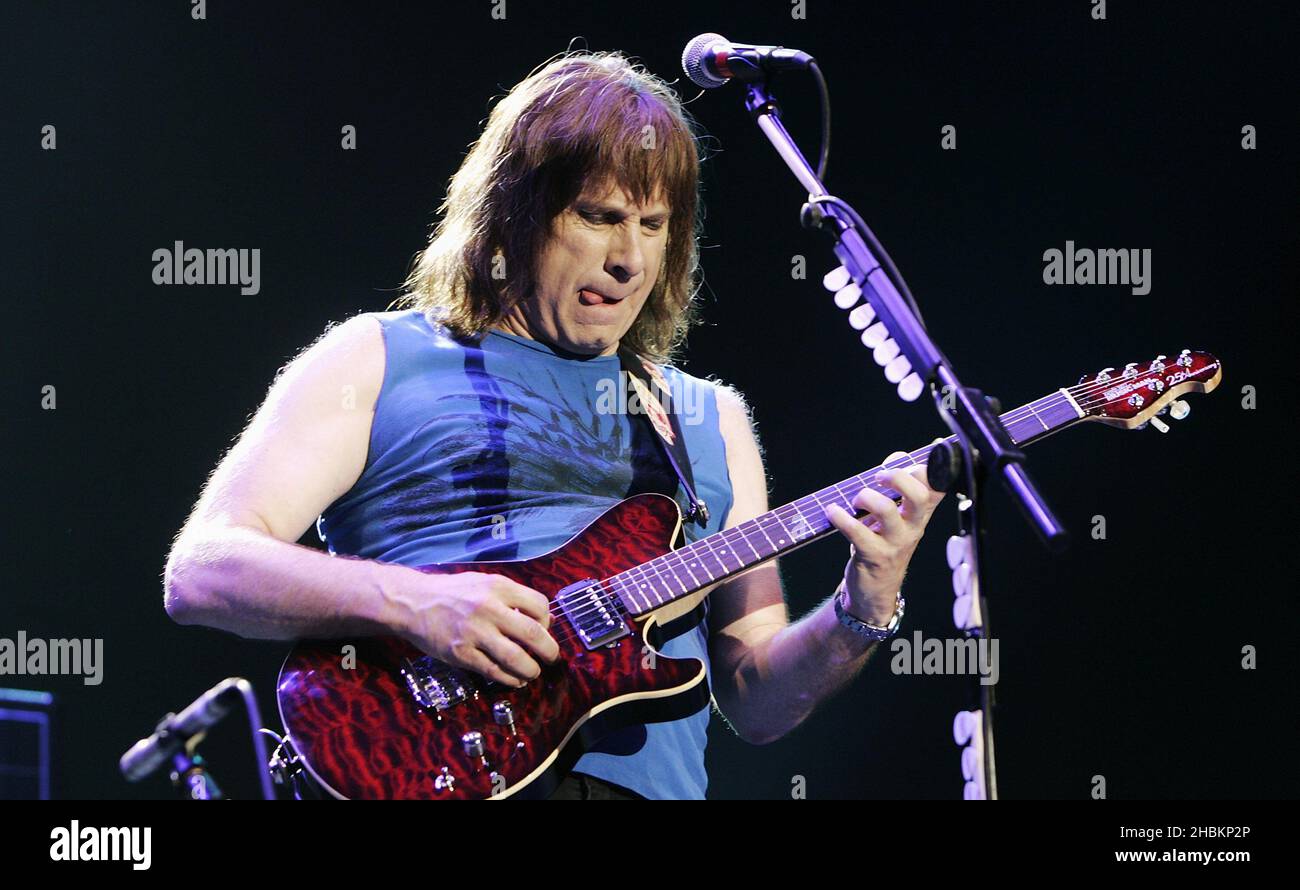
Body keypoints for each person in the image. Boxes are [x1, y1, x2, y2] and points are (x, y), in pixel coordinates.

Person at [162, 51, 946, 800]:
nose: (630, 260)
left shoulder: (709, 416)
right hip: (418, 771)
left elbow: (755, 699)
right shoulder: (376, 358)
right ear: (513, 216)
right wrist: (413, 603)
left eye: (652, 224)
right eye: (600, 217)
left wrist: (863, 606)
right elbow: (204, 568)